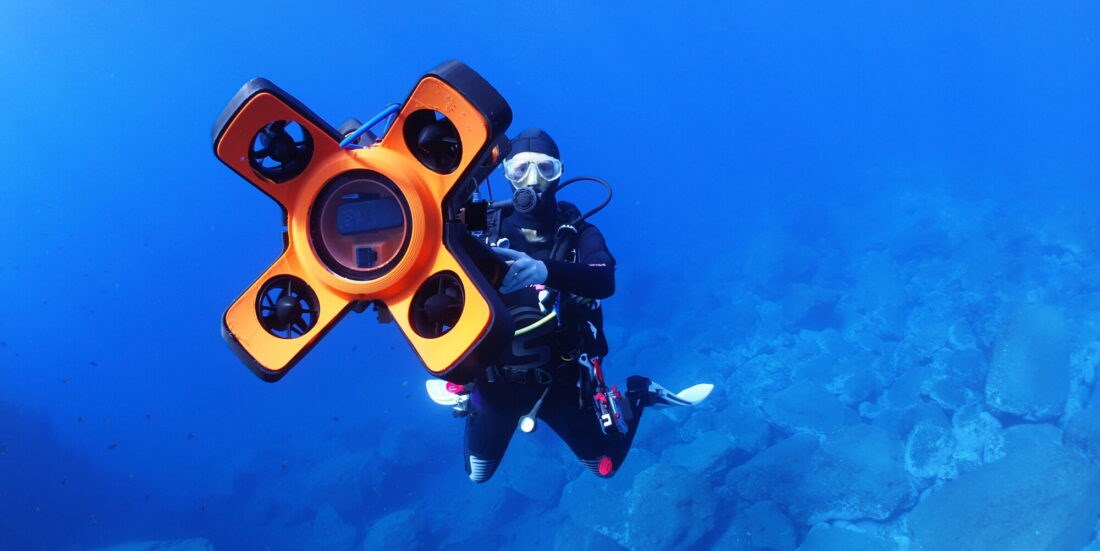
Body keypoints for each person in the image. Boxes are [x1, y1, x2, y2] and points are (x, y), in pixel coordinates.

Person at [437, 128, 711, 482]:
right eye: (520, 169)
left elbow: (604, 280)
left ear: (560, 172)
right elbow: (431, 240)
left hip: (563, 381)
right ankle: (468, 396)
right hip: (495, 381)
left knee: (603, 467)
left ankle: (637, 395)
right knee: (477, 474)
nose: (532, 181)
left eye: (544, 169)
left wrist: (545, 270)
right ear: (504, 173)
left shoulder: (578, 230)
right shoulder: (483, 223)